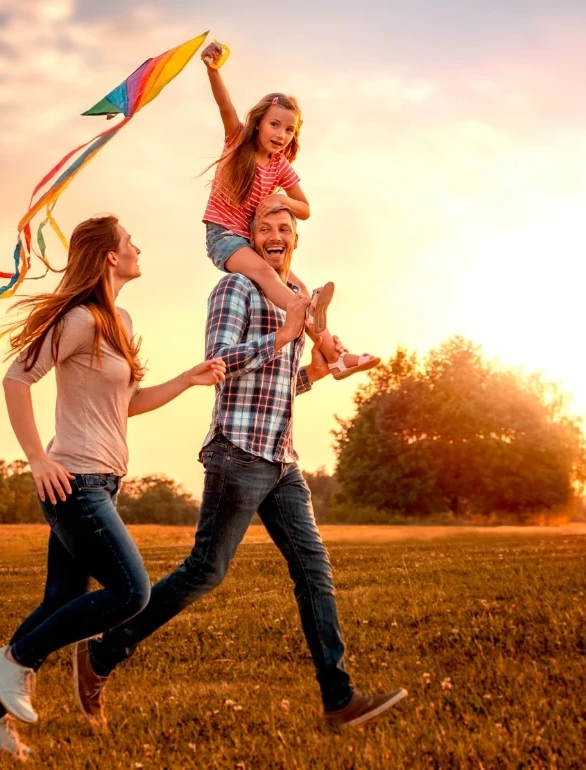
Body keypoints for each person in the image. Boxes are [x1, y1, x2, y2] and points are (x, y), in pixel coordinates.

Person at [78, 204, 407, 727]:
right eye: (264, 229)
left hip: (282, 458)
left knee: (314, 570)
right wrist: (283, 336)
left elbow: (278, 387)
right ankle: (104, 652)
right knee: (205, 570)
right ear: (248, 241)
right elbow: (219, 363)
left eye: (285, 229)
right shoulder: (235, 289)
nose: (275, 236)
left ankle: (338, 700)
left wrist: (316, 372)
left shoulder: (290, 299)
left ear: (294, 241)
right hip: (237, 452)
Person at [0, 215, 225, 757]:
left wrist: (186, 379)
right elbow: (17, 377)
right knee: (132, 592)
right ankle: (13, 662)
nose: (138, 247)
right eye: (130, 241)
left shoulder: (117, 319)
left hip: (102, 480)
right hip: (73, 481)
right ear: (109, 256)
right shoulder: (79, 318)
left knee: (62, 599)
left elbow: (125, 404)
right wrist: (37, 458)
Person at [200, 40, 378, 382]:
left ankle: (336, 358)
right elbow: (225, 106)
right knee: (272, 279)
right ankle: (305, 311)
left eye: (289, 130)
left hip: (250, 242)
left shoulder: (280, 166)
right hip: (223, 237)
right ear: (258, 124)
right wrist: (213, 70)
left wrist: (282, 200)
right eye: (274, 125)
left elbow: (305, 208)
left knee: (299, 288)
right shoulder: (237, 141)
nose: (281, 134)